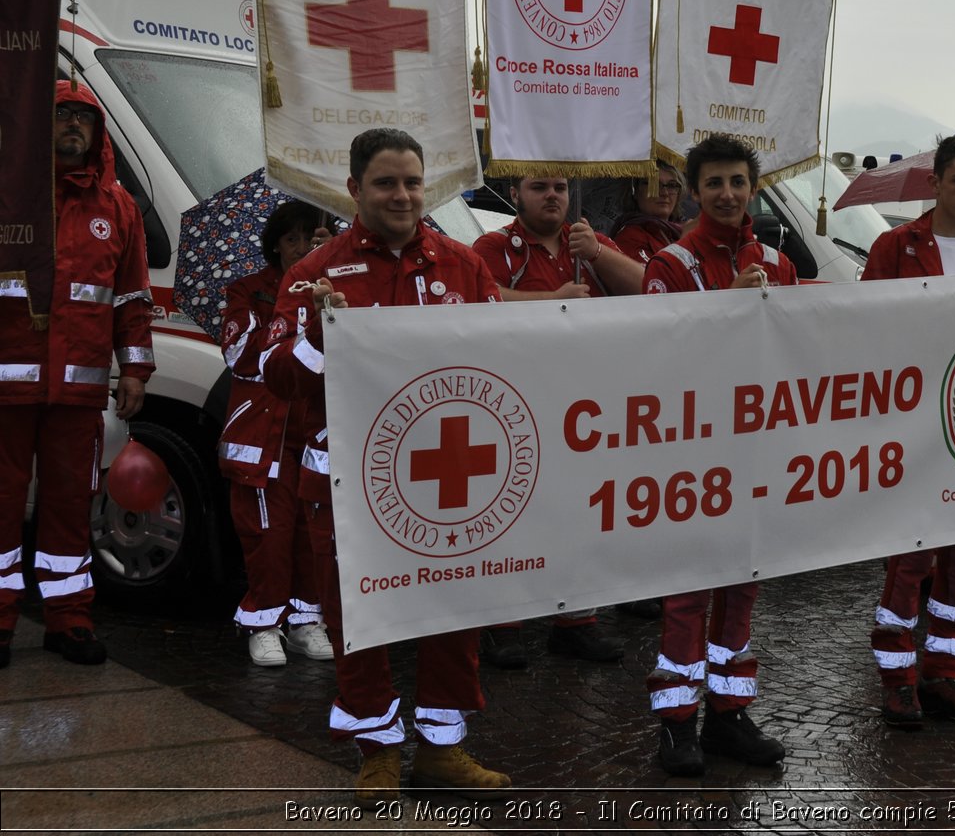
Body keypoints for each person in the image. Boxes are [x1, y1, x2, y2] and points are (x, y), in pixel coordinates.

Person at [261, 128, 510, 806]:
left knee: (454, 609)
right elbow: (275, 375)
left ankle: (443, 749)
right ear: (353, 190)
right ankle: (377, 751)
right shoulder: (312, 274)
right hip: (345, 483)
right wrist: (318, 334)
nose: (401, 195)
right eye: (385, 182)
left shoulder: (463, 265)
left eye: (411, 182)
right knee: (356, 618)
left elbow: (506, 360)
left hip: (450, 478)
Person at [642, 133, 794, 776]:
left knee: (743, 584)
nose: (728, 194)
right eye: (714, 184)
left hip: (757, 446)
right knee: (687, 588)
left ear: (753, 188)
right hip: (692, 450)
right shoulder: (670, 264)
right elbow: (659, 355)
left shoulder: (778, 263)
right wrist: (731, 301)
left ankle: (729, 714)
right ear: (694, 192)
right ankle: (677, 723)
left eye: (738, 182)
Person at [0, 80, 154, 669]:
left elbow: (132, 297)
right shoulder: (12, 195)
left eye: (82, 119)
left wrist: (135, 369)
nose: (72, 126)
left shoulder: (118, 208)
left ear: (96, 134)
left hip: (79, 391)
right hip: (8, 387)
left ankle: (69, 620)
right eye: (61, 115)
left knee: (70, 502)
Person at [470, 174, 643, 667]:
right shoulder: (494, 245)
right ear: (517, 194)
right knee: (511, 515)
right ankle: (501, 624)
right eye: (539, 186)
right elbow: (477, 299)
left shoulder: (590, 243)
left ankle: (576, 623)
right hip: (518, 407)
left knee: (582, 513)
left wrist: (599, 255)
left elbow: (652, 291)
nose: (552, 195)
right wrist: (553, 302)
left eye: (561, 187)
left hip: (585, 408)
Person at [863, 135, 955, 729]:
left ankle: (944, 674)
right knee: (911, 558)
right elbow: (864, 329)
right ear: (936, 183)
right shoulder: (896, 246)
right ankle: (897, 679)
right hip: (913, 421)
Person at [217, 200, 336, 666]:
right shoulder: (248, 291)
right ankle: (262, 623)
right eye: (292, 240)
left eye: (312, 238)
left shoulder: (338, 284)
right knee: (269, 533)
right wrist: (295, 308)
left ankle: (306, 621)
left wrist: (328, 294)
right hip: (261, 435)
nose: (303, 247)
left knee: (314, 533)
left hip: (315, 432)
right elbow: (241, 357)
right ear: (275, 246)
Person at [611, 161, 686, 264]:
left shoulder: (683, 229)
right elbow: (655, 278)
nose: (664, 193)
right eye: (654, 185)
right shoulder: (630, 238)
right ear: (636, 191)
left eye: (672, 185)